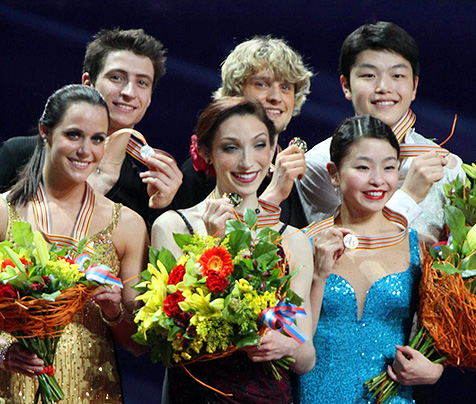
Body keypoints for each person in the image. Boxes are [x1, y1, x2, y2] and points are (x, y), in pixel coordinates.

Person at [0, 84, 148, 403]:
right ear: (45, 131)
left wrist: (113, 313)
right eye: (73, 135)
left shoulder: (128, 225)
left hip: (96, 392)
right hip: (12, 390)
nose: (86, 150)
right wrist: (3, 351)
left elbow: (138, 344)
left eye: (97, 139)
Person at [152, 97, 315, 403]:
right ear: (205, 153)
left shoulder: (292, 240)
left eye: (259, 145)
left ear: (272, 151)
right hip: (197, 394)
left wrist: (288, 346)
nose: (246, 162)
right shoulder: (173, 226)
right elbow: (168, 338)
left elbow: (306, 357)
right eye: (230, 147)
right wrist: (214, 246)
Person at [296, 115, 444, 404]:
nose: (378, 180)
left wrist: (435, 370)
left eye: (389, 167)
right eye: (363, 167)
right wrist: (317, 275)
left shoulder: (420, 246)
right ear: (333, 173)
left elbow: (440, 336)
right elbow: (291, 344)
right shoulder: (302, 244)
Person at [0, 28, 182, 229]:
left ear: (149, 99)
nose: (129, 92)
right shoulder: (19, 154)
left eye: (142, 82)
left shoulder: (145, 188)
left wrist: (160, 208)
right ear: (88, 83)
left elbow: (150, 261)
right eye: (117, 78)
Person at [296, 21, 464, 241]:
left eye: (397, 76)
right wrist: (409, 195)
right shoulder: (321, 164)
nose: (384, 87)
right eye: (369, 76)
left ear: (414, 87)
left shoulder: (447, 166)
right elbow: (344, 251)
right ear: (346, 85)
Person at [173, 36, 312, 228]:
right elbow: (202, 250)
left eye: (286, 87)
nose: (276, 97)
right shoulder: (202, 170)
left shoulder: (293, 167)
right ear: (235, 91)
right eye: (262, 84)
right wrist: (274, 195)